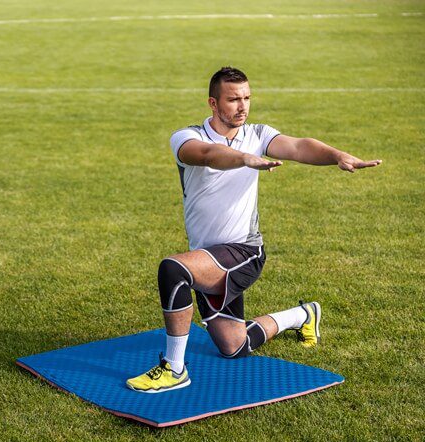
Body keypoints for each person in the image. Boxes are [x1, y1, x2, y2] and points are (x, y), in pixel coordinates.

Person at [127, 66, 381, 393]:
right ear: (213, 103)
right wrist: (244, 159)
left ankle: (174, 369)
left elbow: (299, 146)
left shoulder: (258, 134)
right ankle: (303, 314)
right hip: (208, 256)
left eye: (246, 97)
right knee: (234, 347)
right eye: (233, 99)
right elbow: (207, 155)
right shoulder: (187, 137)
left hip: (244, 252)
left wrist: (337, 156)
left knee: (173, 270)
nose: (242, 106)